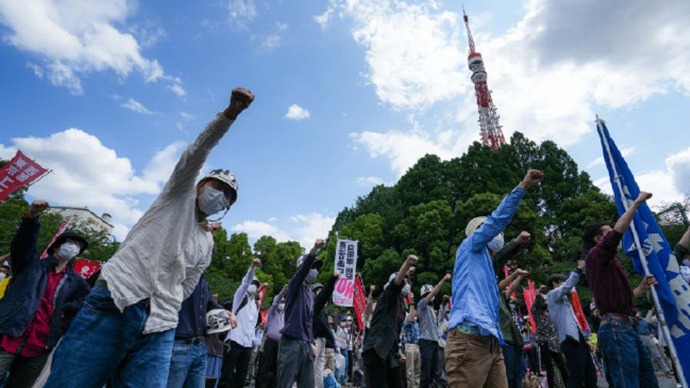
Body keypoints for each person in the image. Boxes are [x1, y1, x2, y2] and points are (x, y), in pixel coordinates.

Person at [46, 87, 254, 387]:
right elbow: (197, 152)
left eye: (227, 196)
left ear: (228, 207)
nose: (219, 195)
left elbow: (188, 285)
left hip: (161, 325)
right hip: (115, 301)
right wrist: (229, 115)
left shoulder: (206, 242)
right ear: (200, 185)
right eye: (216, 186)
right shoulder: (177, 194)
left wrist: (164, 299)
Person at [445, 169, 543, 388]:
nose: (495, 233)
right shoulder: (470, 247)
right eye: (486, 228)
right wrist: (523, 186)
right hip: (468, 340)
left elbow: (498, 291)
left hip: (492, 342)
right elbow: (498, 220)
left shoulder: (487, 266)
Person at [0, 200, 91, 388]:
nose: (72, 246)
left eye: (76, 245)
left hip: (40, 347)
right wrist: (32, 218)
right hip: (8, 336)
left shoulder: (76, 281)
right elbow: (23, 243)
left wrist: (66, 309)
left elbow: (88, 301)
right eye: (69, 242)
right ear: (56, 246)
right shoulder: (30, 265)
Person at [582, 191, 659, 387]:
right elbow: (617, 233)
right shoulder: (595, 256)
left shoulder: (609, 263)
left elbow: (619, 300)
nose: (615, 234)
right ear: (598, 240)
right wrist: (636, 204)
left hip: (628, 327)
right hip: (617, 330)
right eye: (607, 233)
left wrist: (641, 288)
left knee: (648, 382)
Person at [167, 274, 235, 388]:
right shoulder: (182, 275)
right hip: (179, 345)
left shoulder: (204, 283)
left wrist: (228, 313)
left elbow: (212, 305)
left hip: (201, 347)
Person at [275, 239, 326, 388]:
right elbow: (302, 271)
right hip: (291, 342)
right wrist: (314, 249)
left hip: (306, 344)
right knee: (285, 383)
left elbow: (309, 322)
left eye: (316, 267)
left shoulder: (310, 294)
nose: (314, 270)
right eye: (312, 266)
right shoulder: (294, 286)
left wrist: (311, 343)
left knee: (308, 384)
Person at [361, 254, 418, 387]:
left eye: (408, 282)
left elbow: (393, 332)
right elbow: (396, 283)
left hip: (390, 352)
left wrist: (397, 351)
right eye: (405, 281)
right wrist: (407, 263)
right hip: (375, 349)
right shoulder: (387, 297)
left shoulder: (401, 306)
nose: (406, 284)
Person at [546, 260, 597, 387]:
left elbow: (576, 324)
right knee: (577, 376)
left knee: (590, 374)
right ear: (554, 283)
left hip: (578, 339)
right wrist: (578, 270)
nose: (566, 285)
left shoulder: (565, 302)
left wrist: (586, 340)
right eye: (562, 282)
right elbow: (567, 286)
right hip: (569, 340)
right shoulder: (552, 296)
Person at [220, 259, 262, 388]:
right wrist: (252, 267)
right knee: (226, 376)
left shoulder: (255, 305)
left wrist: (254, 342)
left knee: (241, 379)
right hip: (234, 340)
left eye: (255, 284)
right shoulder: (240, 297)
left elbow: (253, 325)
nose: (253, 285)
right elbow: (244, 283)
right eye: (252, 283)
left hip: (247, 344)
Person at [531, 285, 568, 388]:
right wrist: (539, 294)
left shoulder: (551, 313)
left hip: (555, 343)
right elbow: (536, 305)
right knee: (550, 369)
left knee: (562, 366)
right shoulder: (537, 314)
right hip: (545, 343)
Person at [417, 274, 451, 388]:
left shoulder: (431, 309)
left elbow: (441, 316)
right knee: (426, 374)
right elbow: (434, 292)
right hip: (426, 341)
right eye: (428, 294)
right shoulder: (422, 304)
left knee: (435, 374)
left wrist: (444, 303)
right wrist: (443, 279)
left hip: (435, 342)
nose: (430, 295)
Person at [255, 285, 287, 388]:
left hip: (280, 344)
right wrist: (282, 292)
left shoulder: (285, 315)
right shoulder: (272, 312)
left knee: (276, 369)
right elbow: (275, 303)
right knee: (265, 367)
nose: (282, 304)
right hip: (269, 342)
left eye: (283, 302)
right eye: (281, 302)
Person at [312, 273, 339, 388]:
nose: (321, 292)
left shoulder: (322, 310)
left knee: (318, 369)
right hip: (314, 340)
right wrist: (333, 280)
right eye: (318, 290)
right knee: (312, 368)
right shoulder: (315, 305)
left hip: (322, 341)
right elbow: (324, 295)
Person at [402, 303, 421, 388]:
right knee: (410, 371)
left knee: (418, 371)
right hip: (409, 345)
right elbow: (410, 319)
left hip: (417, 346)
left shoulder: (417, 323)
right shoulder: (407, 321)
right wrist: (412, 304)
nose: (416, 312)